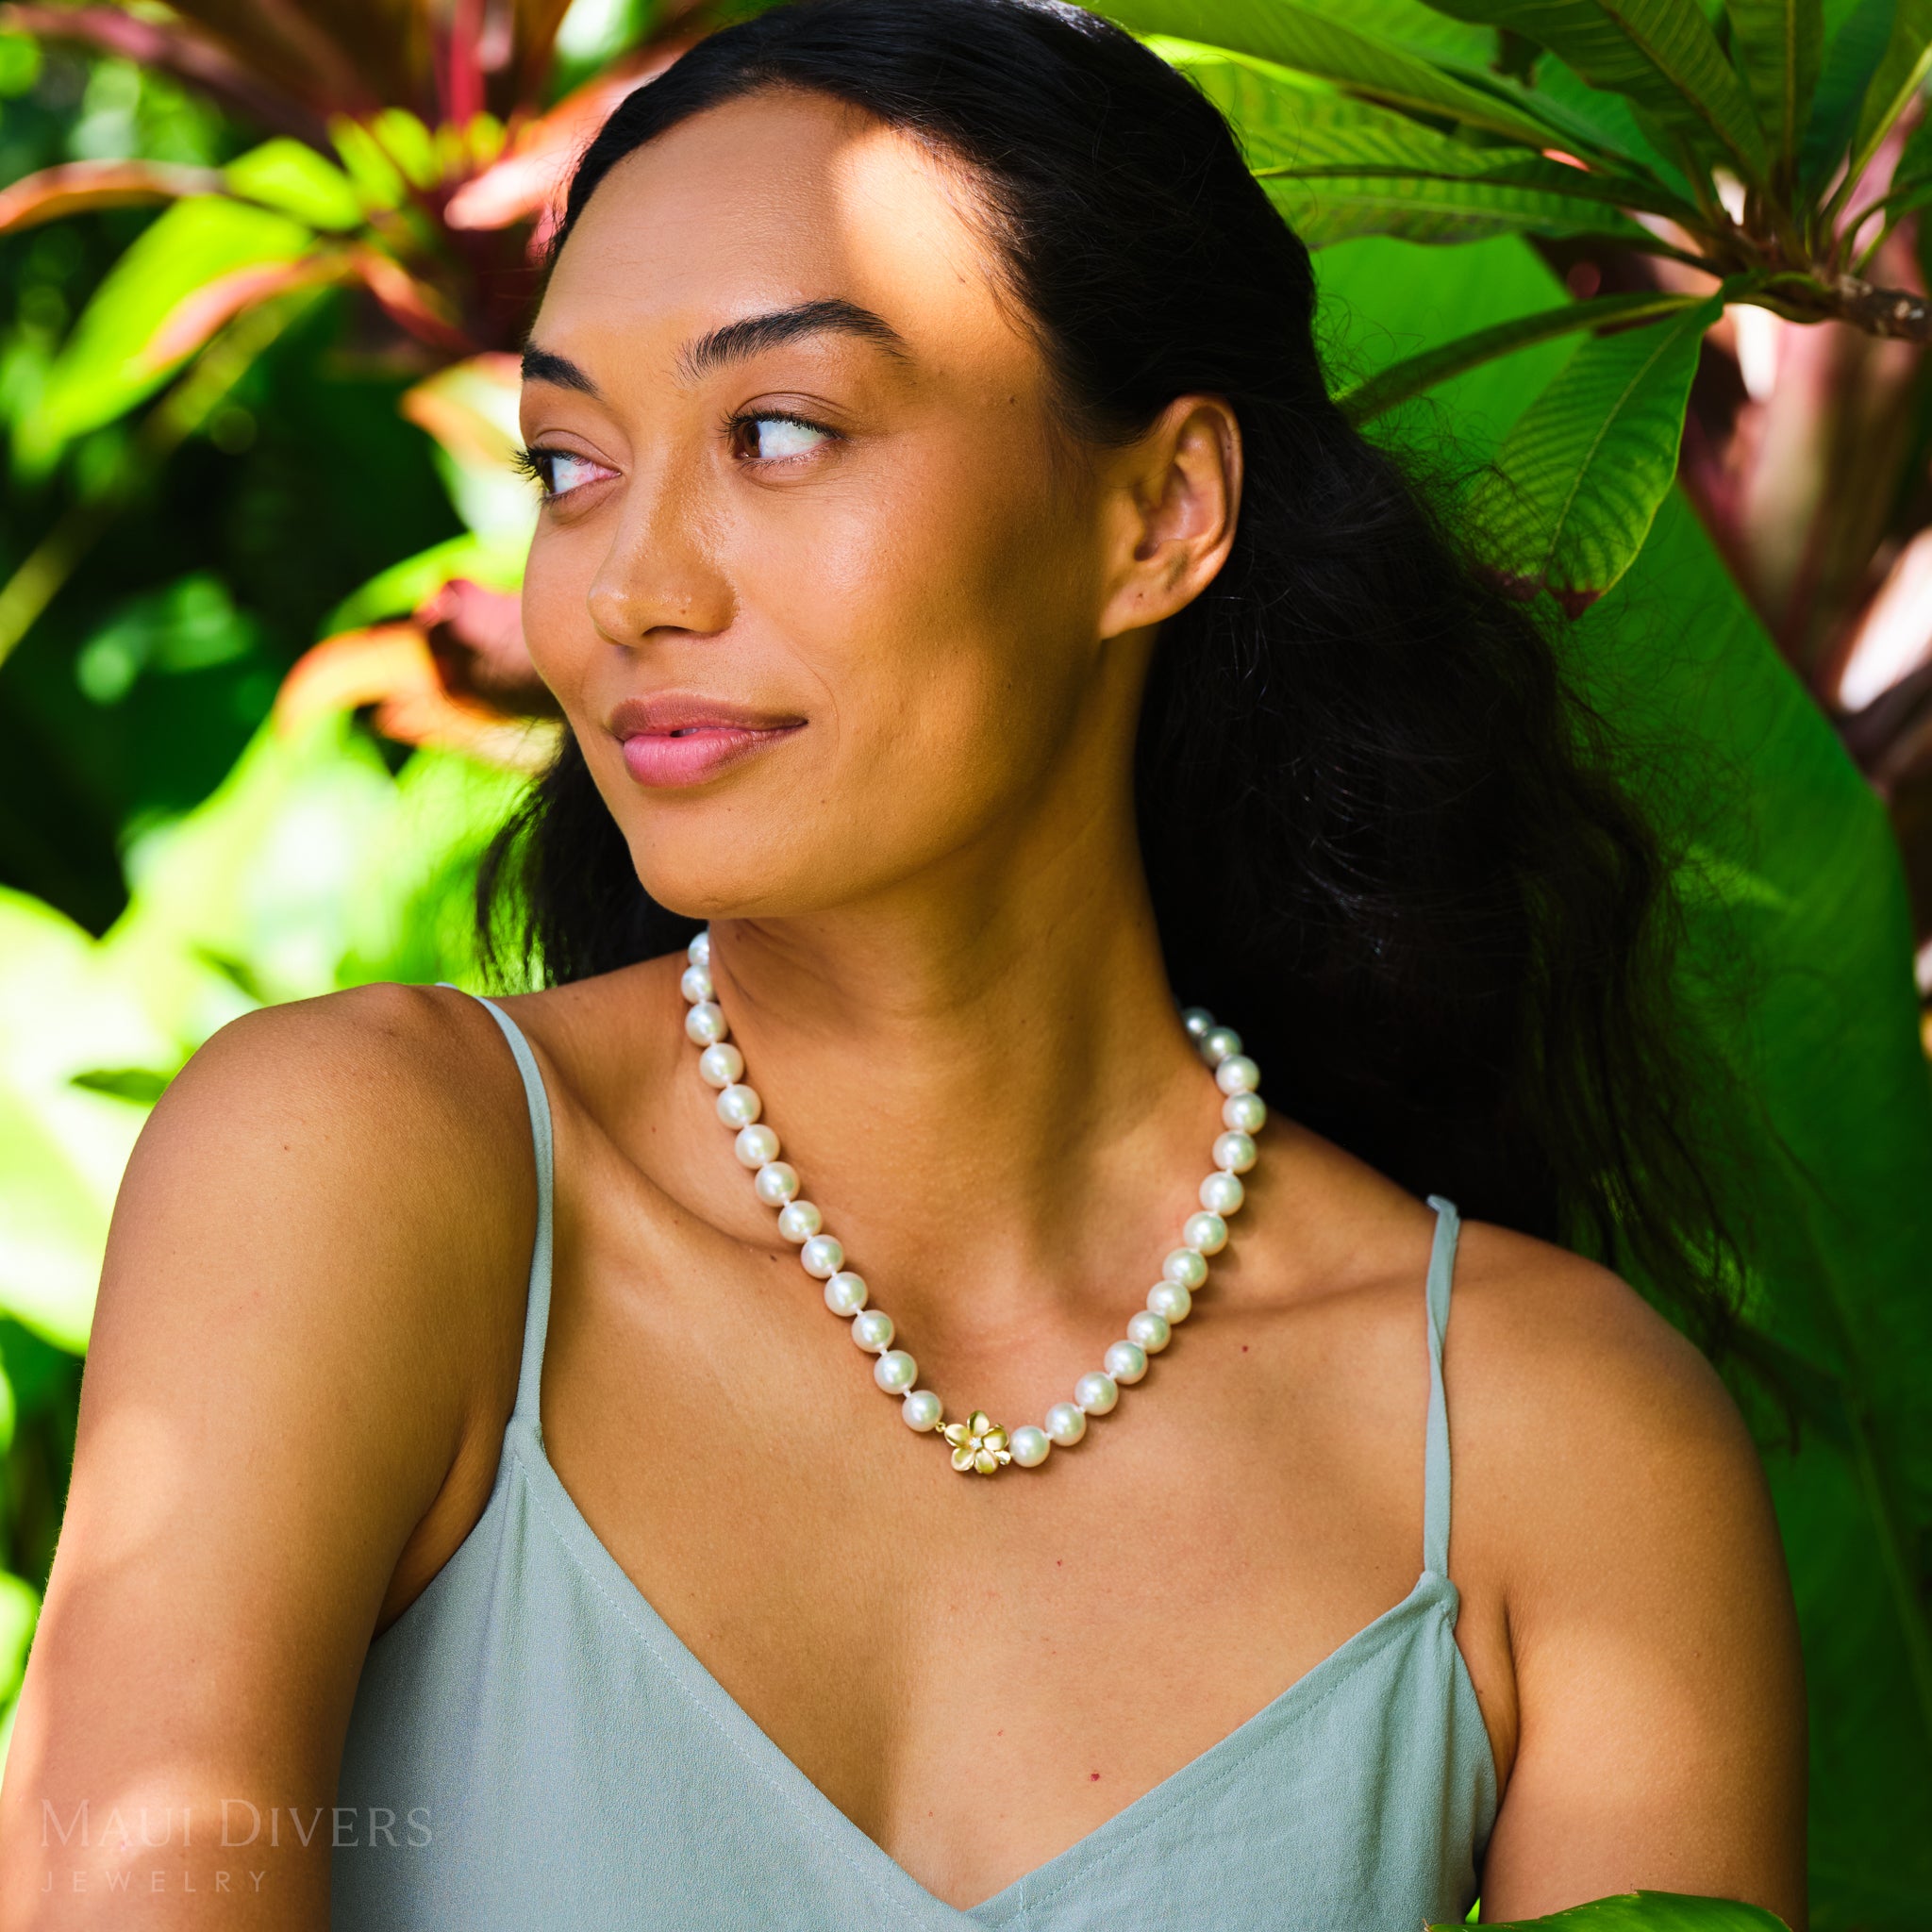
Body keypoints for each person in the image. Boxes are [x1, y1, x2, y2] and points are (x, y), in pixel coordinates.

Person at [0, 2, 1807, 1925]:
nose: (630, 589)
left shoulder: (1556, 1456)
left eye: (776, 431)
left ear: (1159, 511)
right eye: (570, 463)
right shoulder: (370, 1181)